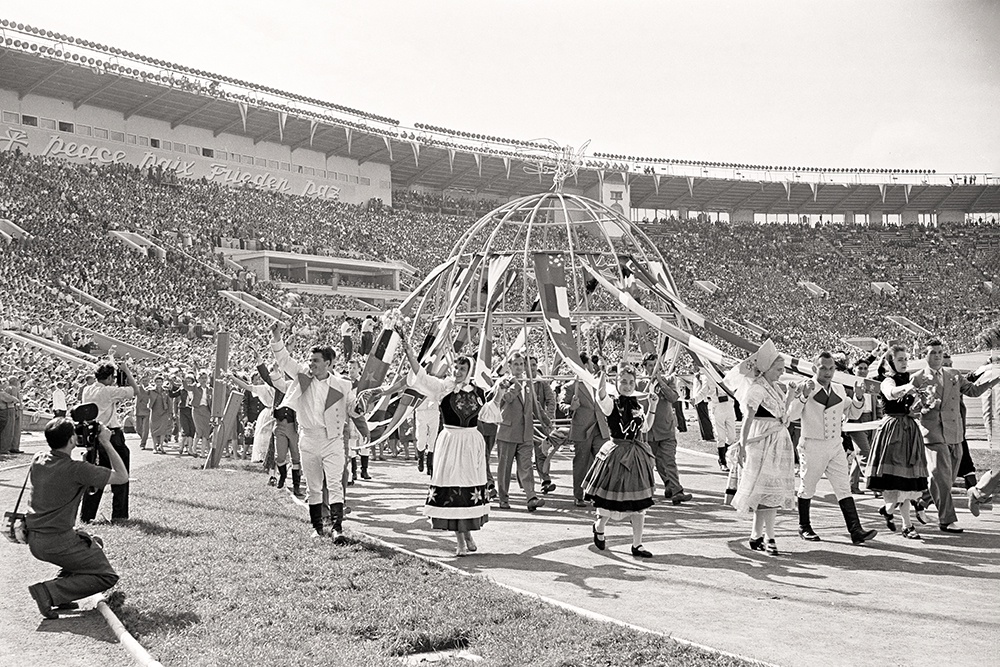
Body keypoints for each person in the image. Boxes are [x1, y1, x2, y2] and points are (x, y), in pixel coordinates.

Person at [401, 335, 500, 557]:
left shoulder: (478, 392)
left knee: (468, 487)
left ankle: (467, 533)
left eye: (462, 369)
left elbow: (488, 414)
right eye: (455, 368)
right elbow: (423, 378)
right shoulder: (443, 388)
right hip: (450, 442)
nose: (457, 372)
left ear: (470, 371)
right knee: (453, 487)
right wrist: (409, 353)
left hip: (471, 443)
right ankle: (460, 541)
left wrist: (500, 393)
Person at [25, 417, 128, 620]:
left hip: (35, 539)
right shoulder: (78, 470)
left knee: (92, 542)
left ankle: (61, 595)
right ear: (73, 440)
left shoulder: (38, 459)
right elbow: (122, 476)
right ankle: (48, 592)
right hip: (58, 541)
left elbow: (62, 479)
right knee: (107, 576)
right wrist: (106, 442)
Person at [271, 321, 363, 541]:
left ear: (329, 364)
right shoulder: (302, 375)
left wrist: (359, 407)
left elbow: (353, 408)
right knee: (313, 485)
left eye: (316, 361)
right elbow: (284, 360)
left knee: (333, 483)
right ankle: (317, 527)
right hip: (308, 438)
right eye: (310, 360)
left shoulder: (342, 384)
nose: (310, 364)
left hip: (332, 439)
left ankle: (338, 528)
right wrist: (276, 338)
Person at [787, 352, 878, 544]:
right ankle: (804, 526)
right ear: (814, 368)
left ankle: (855, 530)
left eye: (831, 368)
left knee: (843, 488)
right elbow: (792, 414)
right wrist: (803, 395)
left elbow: (852, 412)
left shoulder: (838, 389)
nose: (828, 372)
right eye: (823, 368)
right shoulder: (806, 386)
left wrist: (858, 398)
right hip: (813, 444)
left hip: (835, 444)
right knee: (808, 486)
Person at [915, 339, 999, 533]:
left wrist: (996, 378)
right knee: (942, 476)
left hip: (955, 433)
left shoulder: (954, 375)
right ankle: (946, 520)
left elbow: (974, 390)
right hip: (933, 433)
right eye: (933, 352)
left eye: (939, 352)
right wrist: (922, 406)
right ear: (924, 356)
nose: (937, 356)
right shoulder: (918, 379)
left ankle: (921, 500)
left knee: (946, 479)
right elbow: (910, 405)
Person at [724, 340, 796, 556]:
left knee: (770, 492)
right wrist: (743, 445)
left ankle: (757, 535)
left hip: (777, 441)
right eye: (778, 370)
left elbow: (782, 414)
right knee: (767, 490)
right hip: (763, 442)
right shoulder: (756, 389)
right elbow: (748, 419)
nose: (781, 374)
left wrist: (792, 395)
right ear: (767, 368)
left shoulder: (773, 387)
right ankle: (770, 536)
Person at [583, 366, 657, 558]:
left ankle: (637, 545)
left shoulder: (638, 406)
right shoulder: (612, 404)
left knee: (639, 504)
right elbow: (600, 395)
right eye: (623, 381)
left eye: (631, 382)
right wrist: (602, 377)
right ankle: (599, 526)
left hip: (636, 456)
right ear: (616, 382)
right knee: (610, 501)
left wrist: (653, 406)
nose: (627, 386)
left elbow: (646, 427)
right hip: (616, 454)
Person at [864, 346, 930, 539]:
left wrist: (921, 401)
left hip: (908, 430)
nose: (904, 362)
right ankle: (904, 522)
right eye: (900, 359)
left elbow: (910, 407)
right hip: (893, 431)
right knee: (897, 479)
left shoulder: (907, 379)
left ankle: (897, 516)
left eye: (905, 359)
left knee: (907, 479)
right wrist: (907, 388)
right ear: (890, 362)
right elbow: (891, 393)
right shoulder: (888, 380)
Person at [80, 360, 138, 523]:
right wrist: (126, 372)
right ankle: (119, 514)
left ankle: (87, 515)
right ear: (108, 378)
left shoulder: (87, 389)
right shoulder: (108, 391)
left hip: (93, 434)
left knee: (95, 476)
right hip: (111, 433)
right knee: (121, 473)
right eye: (112, 377)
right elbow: (135, 390)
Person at [494, 354, 544, 512]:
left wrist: (547, 423)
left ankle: (531, 497)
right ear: (509, 366)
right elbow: (502, 401)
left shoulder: (528, 384)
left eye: (522, 364)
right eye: (515, 364)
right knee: (505, 469)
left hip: (525, 433)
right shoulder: (502, 382)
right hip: (507, 432)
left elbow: (535, 406)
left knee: (526, 466)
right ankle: (503, 498)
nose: (519, 367)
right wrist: (514, 387)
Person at [640, 359, 692, 505]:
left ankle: (677, 491)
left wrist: (660, 382)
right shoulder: (639, 382)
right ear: (644, 366)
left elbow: (674, 397)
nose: (654, 368)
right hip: (648, 431)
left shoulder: (668, 380)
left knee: (669, 460)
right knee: (655, 463)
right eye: (650, 365)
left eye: (657, 365)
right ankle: (665, 487)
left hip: (666, 429)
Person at [565, 353, 610, 508]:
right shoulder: (571, 386)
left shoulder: (597, 383)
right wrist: (571, 407)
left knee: (603, 461)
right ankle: (579, 495)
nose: (593, 366)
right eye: (591, 363)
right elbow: (562, 405)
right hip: (582, 429)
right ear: (584, 365)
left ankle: (599, 494)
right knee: (581, 463)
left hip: (600, 428)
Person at [847, 357, 878, 494]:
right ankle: (875, 484)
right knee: (865, 453)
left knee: (860, 453)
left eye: (865, 368)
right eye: (860, 368)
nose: (863, 371)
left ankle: (852, 484)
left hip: (870, 419)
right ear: (854, 370)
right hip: (855, 421)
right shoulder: (847, 384)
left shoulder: (871, 385)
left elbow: (876, 402)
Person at [695, 370, 736, 472]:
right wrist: (695, 399)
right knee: (721, 437)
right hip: (717, 408)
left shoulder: (728, 375)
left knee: (732, 437)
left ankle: (723, 453)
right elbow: (703, 392)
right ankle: (722, 461)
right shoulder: (708, 377)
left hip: (729, 408)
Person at [528, 356, 557, 495]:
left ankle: (545, 481)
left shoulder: (542, 383)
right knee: (524, 455)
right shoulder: (521, 382)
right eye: (529, 365)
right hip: (525, 424)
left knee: (542, 454)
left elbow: (551, 400)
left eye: (534, 365)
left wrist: (548, 416)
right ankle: (526, 484)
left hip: (540, 423)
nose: (532, 367)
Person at [146, 375, 173, 454]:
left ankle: (161, 446)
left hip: (164, 412)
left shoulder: (165, 391)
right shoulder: (151, 391)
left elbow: (169, 402)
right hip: (154, 412)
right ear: (154, 382)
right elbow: (143, 392)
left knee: (163, 430)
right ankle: (154, 446)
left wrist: (170, 412)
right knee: (154, 430)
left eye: (160, 382)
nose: (159, 383)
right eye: (157, 382)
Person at [191, 371, 213, 458]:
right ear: (198, 379)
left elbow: (212, 401)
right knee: (199, 430)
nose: (204, 380)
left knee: (206, 432)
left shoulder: (210, 389)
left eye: (205, 378)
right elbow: (187, 387)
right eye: (202, 378)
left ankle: (203, 452)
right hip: (197, 410)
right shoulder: (195, 387)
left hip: (206, 410)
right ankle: (194, 448)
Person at [133, 375, 151, 451]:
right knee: (138, 429)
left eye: (146, 381)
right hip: (138, 410)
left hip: (147, 410)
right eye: (143, 381)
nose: (144, 382)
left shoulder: (150, 389)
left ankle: (143, 443)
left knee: (145, 429)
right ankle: (143, 437)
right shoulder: (138, 388)